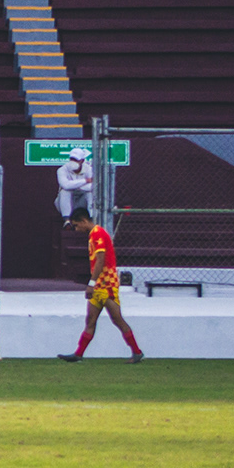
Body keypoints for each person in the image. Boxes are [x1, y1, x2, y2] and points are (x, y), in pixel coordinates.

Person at [59, 206, 143, 362]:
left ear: (84, 220)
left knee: (117, 319)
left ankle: (137, 352)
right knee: (90, 319)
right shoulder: (94, 234)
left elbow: (101, 259)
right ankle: (78, 354)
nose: (77, 229)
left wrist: (91, 283)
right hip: (99, 284)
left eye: (77, 225)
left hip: (106, 283)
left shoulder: (98, 234)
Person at [55, 148, 94, 220]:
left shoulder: (89, 169)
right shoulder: (62, 169)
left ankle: (92, 219)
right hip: (65, 204)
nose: (73, 162)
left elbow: (92, 187)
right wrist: (85, 181)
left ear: (82, 160)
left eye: (76, 160)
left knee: (90, 193)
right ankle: (67, 221)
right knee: (64, 191)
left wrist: (73, 186)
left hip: (82, 203)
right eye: (71, 159)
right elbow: (65, 185)